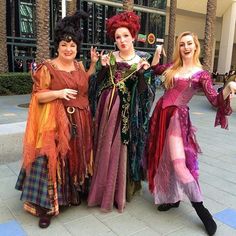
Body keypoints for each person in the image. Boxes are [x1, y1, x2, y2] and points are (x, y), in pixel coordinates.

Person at [146, 31, 236, 236]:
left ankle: (202, 211)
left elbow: (214, 100)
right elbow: (155, 69)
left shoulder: (201, 74)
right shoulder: (173, 67)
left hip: (177, 119)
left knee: (178, 163)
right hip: (161, 116)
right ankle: (173, 198)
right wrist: (157, 53)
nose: (185, 47)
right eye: (182, 44)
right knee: (164, 159)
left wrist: (229, 87)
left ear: (196, 46)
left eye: (189, 44)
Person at [15, 11, 99, 228]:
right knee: (50, 163)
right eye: (64, 44)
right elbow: (38, 96)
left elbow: (81, 85)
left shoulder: (79, 66)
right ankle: (46, 208)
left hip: (81, 121)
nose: (68, 49)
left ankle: (70, 196)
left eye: (72, 45)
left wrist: (92, 66)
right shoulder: (47, 67)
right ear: (58, 46)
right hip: (55, 123)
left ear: (77, 47)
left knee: (74, 159)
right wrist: (58, 93)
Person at [87, 11, 153, 213]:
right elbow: (94, 86)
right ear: (114, 40)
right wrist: (103, 70)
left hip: (126, 113)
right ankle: (99, 190)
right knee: (103, 147)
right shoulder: (108, 58)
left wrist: (141, 75)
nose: (122, 40)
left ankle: (116, 192)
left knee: (118, 149)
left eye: (126, 35)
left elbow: (146, 95)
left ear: (133, 36)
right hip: (105, 110)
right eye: (118, 37)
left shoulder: (142, 60)